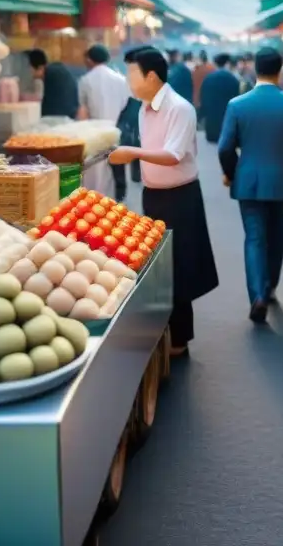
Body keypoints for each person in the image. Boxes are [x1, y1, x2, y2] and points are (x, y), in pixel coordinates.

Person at [109, 47, 219, 357]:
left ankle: (181, 340)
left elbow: (174, 155)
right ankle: (166, 330)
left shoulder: (179, 108)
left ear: (151, 76)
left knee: (180, 266)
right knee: (159, 266)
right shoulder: (144, 107)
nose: (129, 79)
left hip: (180, 196)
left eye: (132, 72)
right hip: (154, 195)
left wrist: (132, 153)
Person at [219, 48, 283, 323]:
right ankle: (270, 286)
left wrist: (231, 173)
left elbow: (225, 148)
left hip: (248, 181)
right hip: (282, 180)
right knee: (276, 234)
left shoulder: (237, 105)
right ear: (280, 69)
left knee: (254, 237)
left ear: (254, 69)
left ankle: (258, 295)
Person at [78, 44, 131, 196]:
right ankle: (114, 204)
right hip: (117, 131)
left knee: (95, 175)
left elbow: (83, 111)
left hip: (94, 134)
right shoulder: (120, 79)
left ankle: (95, 207)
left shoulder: (86, 80)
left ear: (89, 60)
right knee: (114, 172)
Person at [200, 53, 242, 143]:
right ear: (227, 63)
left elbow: (203, 97)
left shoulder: (208, 78)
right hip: (226, 122)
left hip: (211, 122)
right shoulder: (233, 79)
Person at [28, 48, 79, 118]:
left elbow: (49, 108)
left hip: (59, 120)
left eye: (30, 68)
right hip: (69, 117)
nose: (29, 73)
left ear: (40, 67)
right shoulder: (57, 70)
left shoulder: (52, 75)